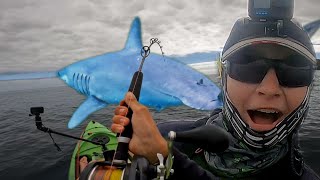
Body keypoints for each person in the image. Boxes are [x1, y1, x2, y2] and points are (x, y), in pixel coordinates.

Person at [111, 1, 320, 180]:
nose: (269, 89)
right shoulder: (166, 135)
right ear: (224, 76)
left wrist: (166, 158)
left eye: (295, 70)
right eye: (246, 65)